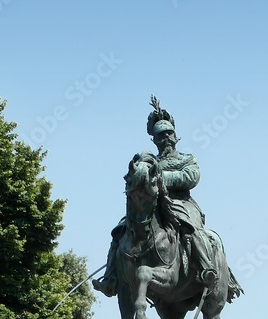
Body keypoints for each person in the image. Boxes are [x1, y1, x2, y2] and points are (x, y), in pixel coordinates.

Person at [92, 97, 220, 297]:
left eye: (169, 134)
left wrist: (161, 178)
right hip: (154, 202)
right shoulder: (150, 162)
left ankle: (207, 269)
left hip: (182, 204)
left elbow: (191, 177)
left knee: (191, 229)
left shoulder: (187, 159)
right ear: (155, 139)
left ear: (176, 136)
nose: (165, 138)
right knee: (122, 228)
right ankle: (111, 277)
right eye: (160, 136)